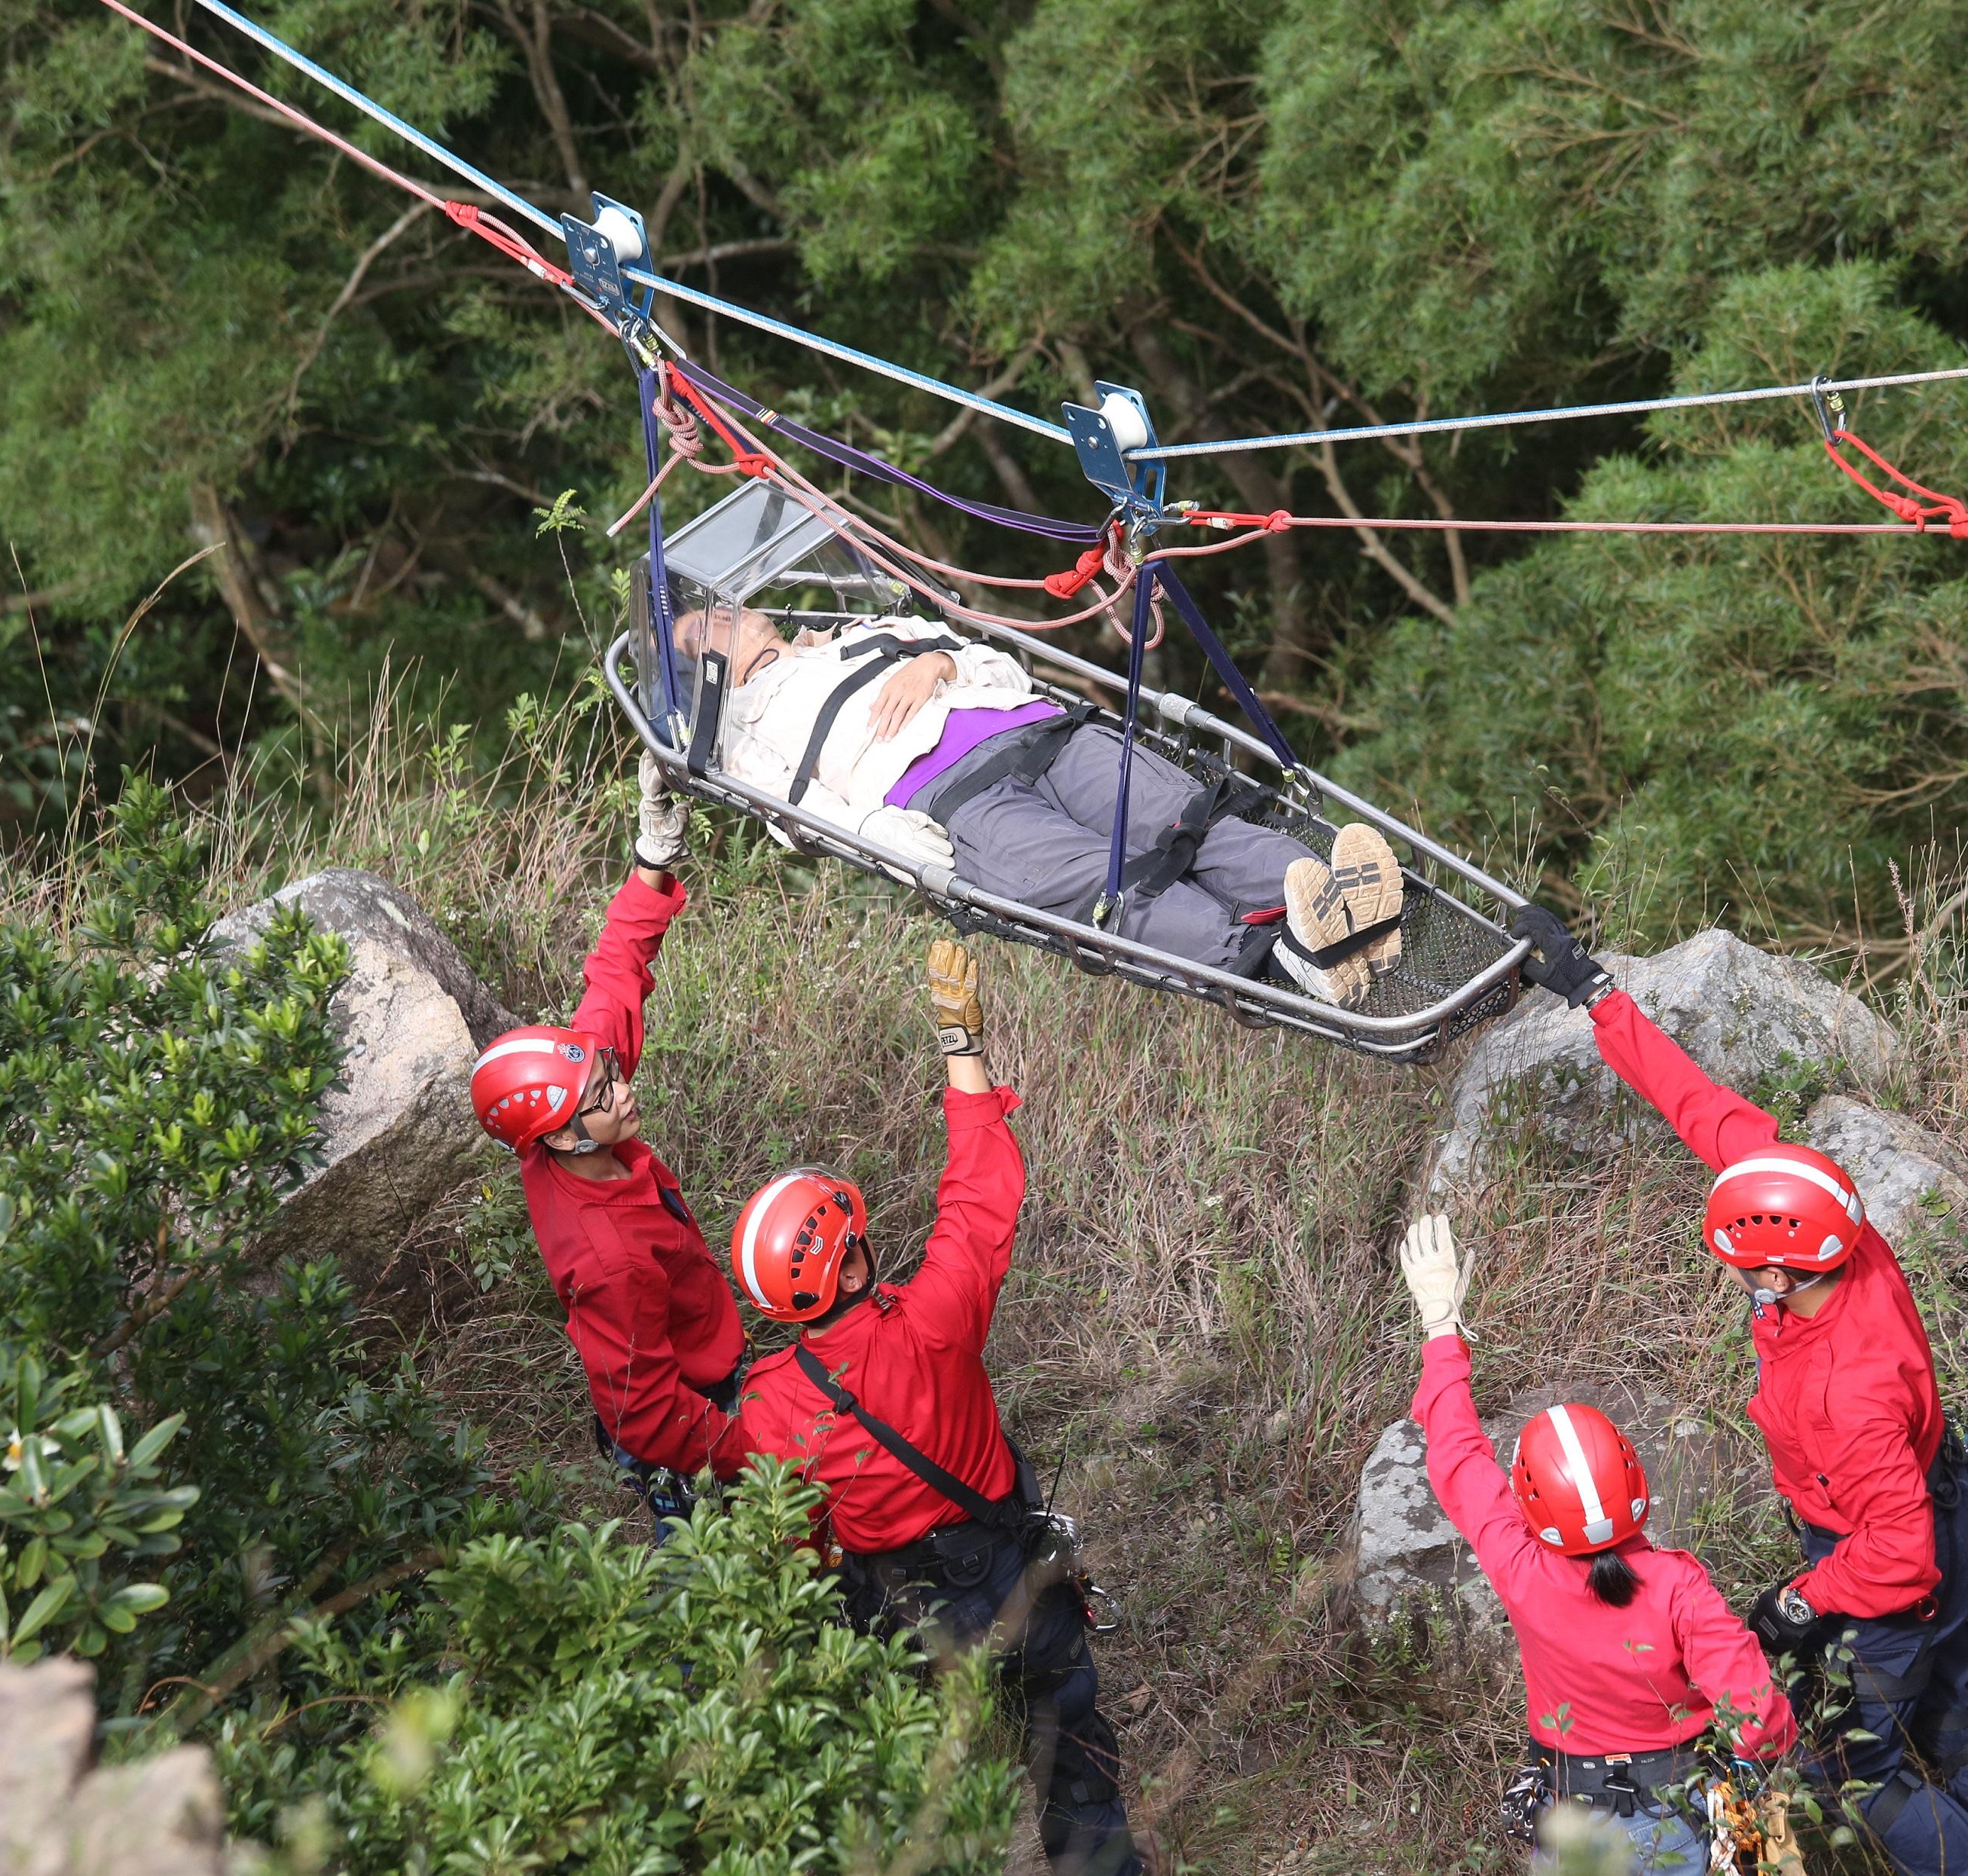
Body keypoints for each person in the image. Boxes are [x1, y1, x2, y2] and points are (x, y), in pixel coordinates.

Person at [1510, 907, 1968, 1876]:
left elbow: (1901, 1559)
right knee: (1960, 1710)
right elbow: (1711, 1115)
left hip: (1892, 1559)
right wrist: (1601, 999)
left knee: (1859, 1771)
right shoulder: (1832, 1224)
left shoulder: (1849, 1393)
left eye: (1743, 1273)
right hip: (1949, 1496)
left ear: (1776, 1274)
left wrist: (1805, 1599)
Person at [729, 940, 1138, 1876]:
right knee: (1071, 1746)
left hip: (902, 1608)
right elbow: (981, 1191)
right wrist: (962, 1040)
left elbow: (798, 1540)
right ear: (856, 1262)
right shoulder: (935, 1322)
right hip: (1014, 1572)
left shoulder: (769, 1408)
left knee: (930, 1791)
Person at [674, 601, 1404, 1007]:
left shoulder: (866, 633)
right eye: (701, 628)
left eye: (719, 605)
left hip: (1039, 732)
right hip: (954, 800)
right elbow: (800, 820)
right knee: (1106, 888)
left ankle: (1336, 903)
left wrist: (938, 661)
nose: (723, 612)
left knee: (1184, 820)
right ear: (701, 670)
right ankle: (1288, 965)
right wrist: (886, 839)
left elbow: (996, 662)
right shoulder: (744, 734)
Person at [1394, 1211, 1795, 1871]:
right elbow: (1758, 1722)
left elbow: (1458, 1455)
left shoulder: (1518, 1565)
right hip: (1684, 1815)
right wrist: (1761, 1815)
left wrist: (1441, 1328)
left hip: (1570, 1820)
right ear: (1635, 1479)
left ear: (1528, 1503)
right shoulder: (1677, 1586)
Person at [466, 762, 749, 1501]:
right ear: (560, 1137)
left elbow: (615, 974)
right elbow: (650, 1415)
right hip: (688, 1420)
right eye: (604, 1091)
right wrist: (753, 1451)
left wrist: (651, 861)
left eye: (609, 1074)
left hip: (695, 1360)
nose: (623, 1090)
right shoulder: (609, 1260)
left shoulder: (568, 1112)